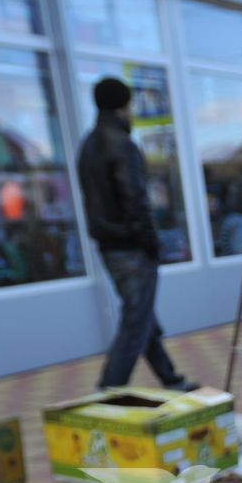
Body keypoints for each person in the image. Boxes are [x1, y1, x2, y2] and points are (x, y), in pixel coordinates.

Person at [78, 76, 187, 390]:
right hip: (131, 245)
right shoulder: (122, 145)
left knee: (141, 314)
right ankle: (108, 391)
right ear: (124, 105)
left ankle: (171, 378)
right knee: (136, 321)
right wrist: (151, 243)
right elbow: (136, 200)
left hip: (109, 245)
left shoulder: (88, 145)